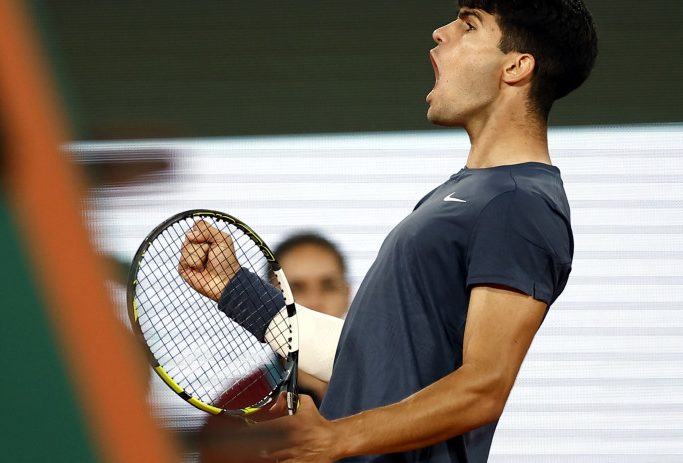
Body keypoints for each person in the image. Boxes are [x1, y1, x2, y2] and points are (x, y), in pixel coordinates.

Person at [179, 1, 598, 461]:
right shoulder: (464, 195)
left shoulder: (518, 203)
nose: (441, 33)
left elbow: (484, 387)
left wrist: (340, 437)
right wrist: (236, 290)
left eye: (468, 24)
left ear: (516, 67)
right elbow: (373, 359)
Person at [275, 232, 351, 405]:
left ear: (347, 296)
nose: (314, 302)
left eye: (328, 287)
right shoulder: (235, 407)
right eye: (296, 288)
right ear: (269, 299)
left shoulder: (396, 389)